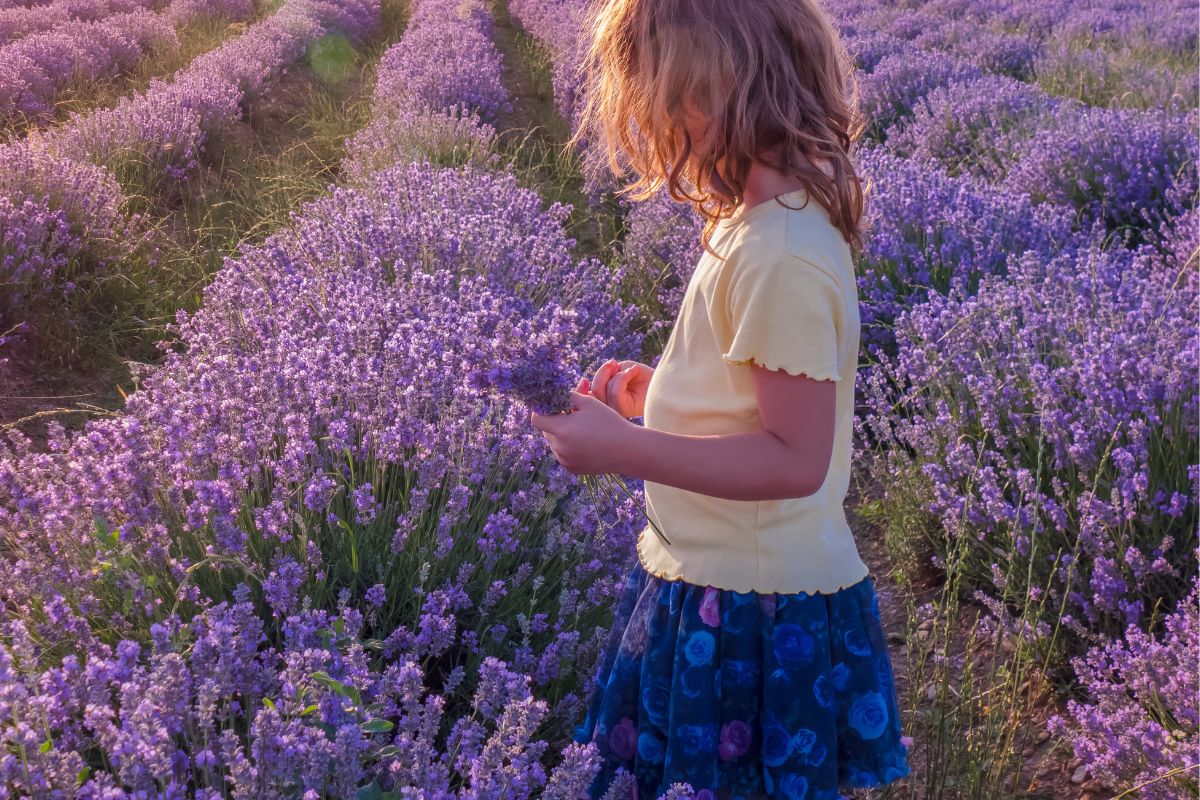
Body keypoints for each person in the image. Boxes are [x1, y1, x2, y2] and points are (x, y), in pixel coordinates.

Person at [529, 1, 911, 798]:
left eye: (662, 102)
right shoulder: (762, 224)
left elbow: (795, 457)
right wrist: (661, 400)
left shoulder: (780, 255)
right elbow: (756, 399)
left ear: (714, 91)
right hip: (723, 582)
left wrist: (623, 450)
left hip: (749, 615)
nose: (657, 125)